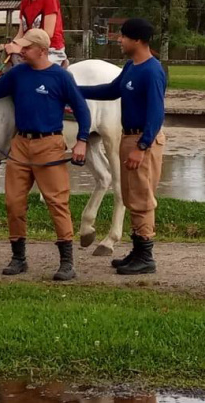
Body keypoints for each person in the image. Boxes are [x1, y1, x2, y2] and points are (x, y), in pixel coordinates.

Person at [0, 28, 90, 281]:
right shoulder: (17, 74)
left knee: (57, 203)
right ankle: (19, 258)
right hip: (20, 145)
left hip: (49, 145)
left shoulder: (61, 77)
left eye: (27, 47)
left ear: (41, 50)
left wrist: (81, 141)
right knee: (13, 202)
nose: (22, 50)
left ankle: (67, 262)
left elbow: (82, 111)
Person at [78, 18, 166, 275]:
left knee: (141, 199)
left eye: (123, 37)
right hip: (129, 137)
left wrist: (142, 146)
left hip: (143, 140)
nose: (119, 41)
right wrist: (74, 88)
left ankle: (146, 256)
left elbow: (156, 113)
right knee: (130, 195)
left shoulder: (152, 71)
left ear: (137, 40)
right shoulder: (131, 66)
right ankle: (137, 251)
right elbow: (110, 90)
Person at [4, 0, 68, 67]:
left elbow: (47, 34)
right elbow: (21, 33)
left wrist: (20, 46)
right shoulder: (24, 1)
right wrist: (11, 45)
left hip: (50, 49)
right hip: (30, 49)